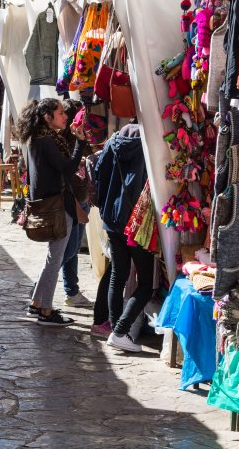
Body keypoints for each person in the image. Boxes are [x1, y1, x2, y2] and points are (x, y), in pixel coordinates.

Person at [19, 98, 88, 326]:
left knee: (54, 257)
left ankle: (37, 303)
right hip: (57, 207)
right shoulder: (47, 141)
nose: (65, 116)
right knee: (55, 259)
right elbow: (67, 168)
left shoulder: (36, 140)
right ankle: (46, 311)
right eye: (60, 113)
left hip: (50, 205)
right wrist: (79, 143)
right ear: (48, 117)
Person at [94, 121, 150, 352]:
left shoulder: (113, 142)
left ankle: (117, 330)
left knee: (118, 274)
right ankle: (120, 330)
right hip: (136, 220)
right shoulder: (147, 144)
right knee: (146, 282)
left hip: (111, 216)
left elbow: (98, 173)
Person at [55, 99, 93, 308]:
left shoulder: (80, 138)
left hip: (80, 197)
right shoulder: (61, 141)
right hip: (70, 200)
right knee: (68, 250)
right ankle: (42, 283)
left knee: (73, 248)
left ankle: (72, 291)